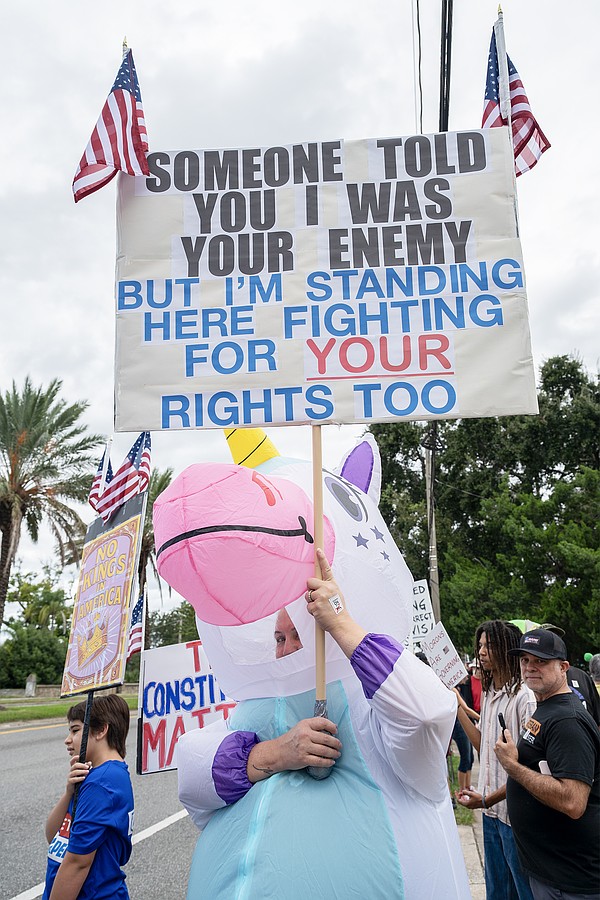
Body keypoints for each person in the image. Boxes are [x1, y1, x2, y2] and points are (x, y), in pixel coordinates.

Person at [177, 550, 471, 899]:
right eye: (279, 638)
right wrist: (274, 754)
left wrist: (342, 622)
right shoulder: (256, 705)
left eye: (299, 634)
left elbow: (425, 716)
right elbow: (194, 776)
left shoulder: (371, 700)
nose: (287, 649)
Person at [495, 628, 600, 899]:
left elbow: (573, 802)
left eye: (540, 661)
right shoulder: (547, 706)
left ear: (563, 667)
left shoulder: (567, 720)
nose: (530, 667)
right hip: (550, 870)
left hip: (569, 880)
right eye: (525, 660)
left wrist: (513, 766)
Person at [455, 620, 535, 900]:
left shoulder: (525, 699)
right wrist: (458, 708)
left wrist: (487, 799)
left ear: (507, 648)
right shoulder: (490, 693)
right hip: (490, 816)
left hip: (515, 819)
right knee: (498, 892)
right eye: (480, 645)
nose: (481, 651)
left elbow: (527, 771)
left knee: (524, 892)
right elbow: (484, 748)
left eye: (489, 645)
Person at [43, 694, 134, 900]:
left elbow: (78, 862)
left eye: (75, 730)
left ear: (101, 730)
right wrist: (69, 792)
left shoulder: (102, 782)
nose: (68, 739)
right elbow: (53, 837)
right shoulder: (96, 776)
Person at [540, 625, 600, 725]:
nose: (554, 644)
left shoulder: (582, 676)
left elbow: (597, 718)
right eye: (547, 640)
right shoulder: (533, 680)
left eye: (557, 639)